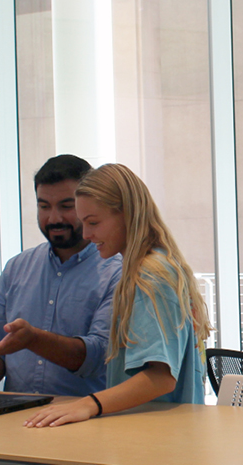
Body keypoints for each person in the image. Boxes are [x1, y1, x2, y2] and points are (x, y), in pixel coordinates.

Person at [24, 163, 212, 427]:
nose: (87, 235)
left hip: (161, 436)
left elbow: (161, 377)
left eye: (94, 223)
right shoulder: (149, 268)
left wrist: (90, 403)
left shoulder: (151, 275)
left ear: (127, 215)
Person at [0, 155, 122, 396]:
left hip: (88, 420)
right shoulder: (17, 267)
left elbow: (98, 355)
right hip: (17, 419)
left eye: (66, 206)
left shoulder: (117, 271)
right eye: (44, 206)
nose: (54, 219)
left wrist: (34, 339)